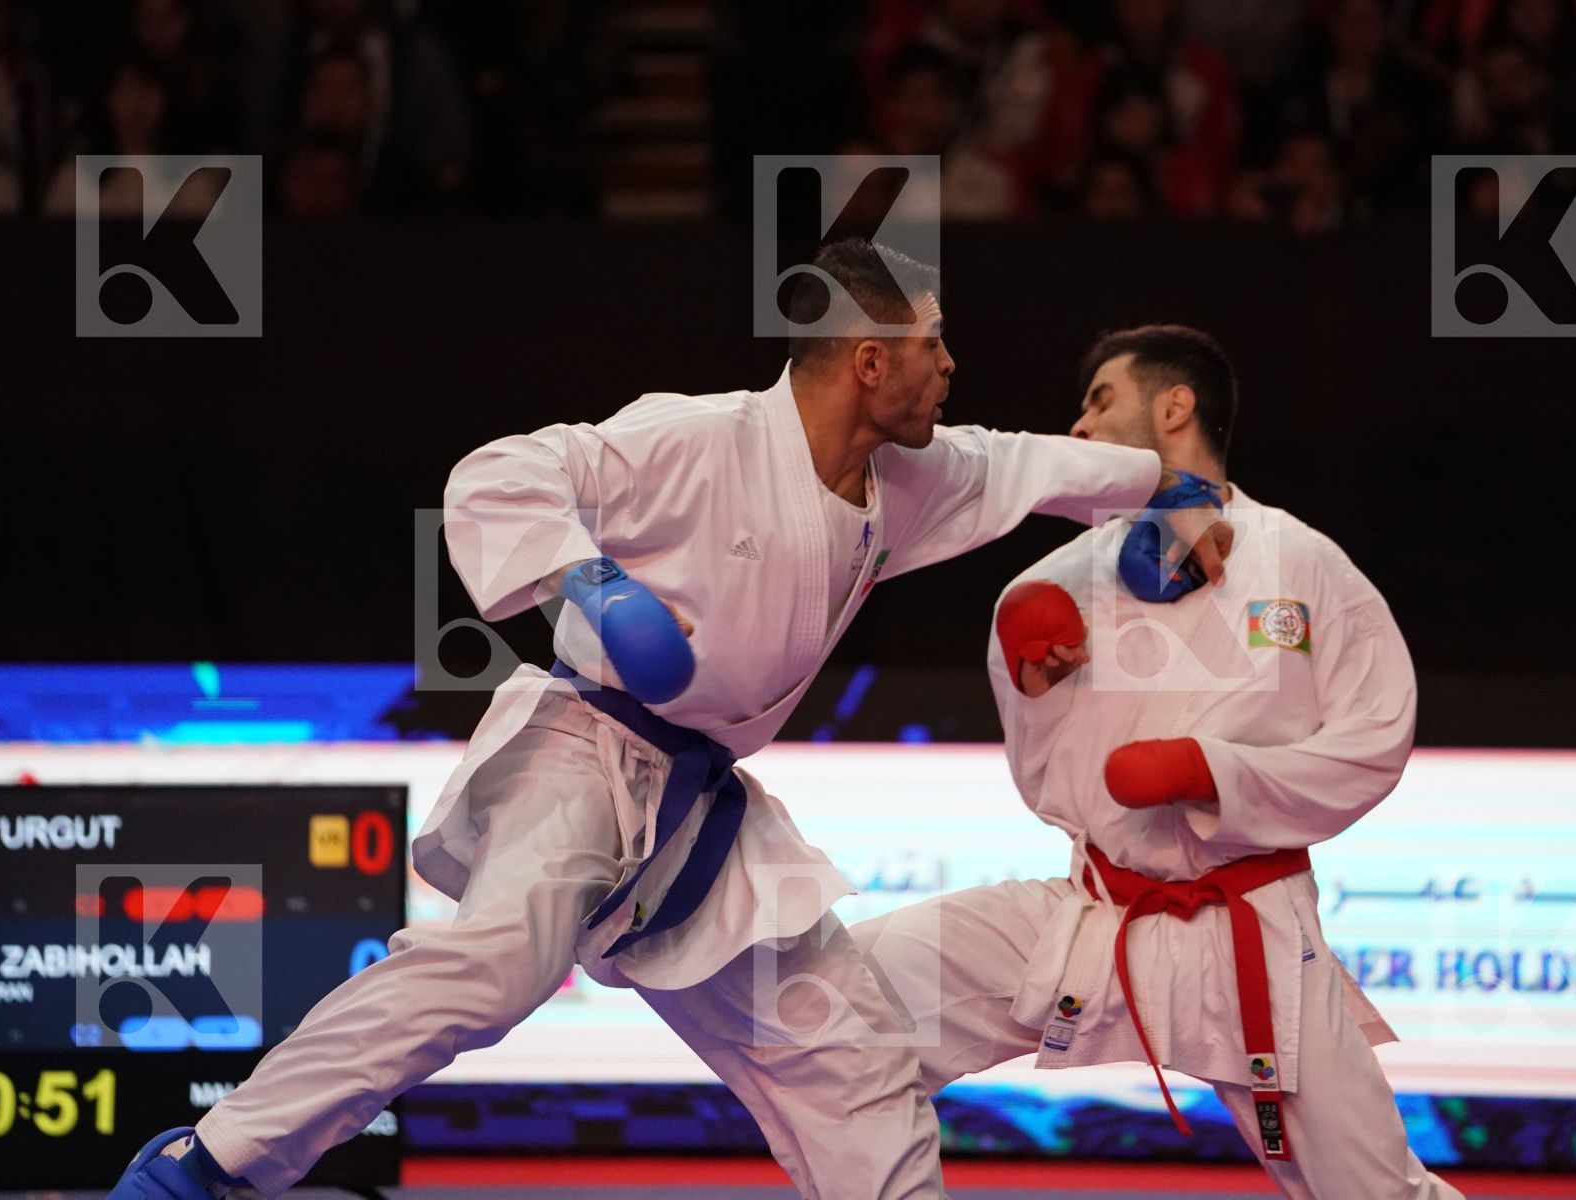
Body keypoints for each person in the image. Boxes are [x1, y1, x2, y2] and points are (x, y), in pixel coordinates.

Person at [105, 243, 1227, 1200]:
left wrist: (1166, 485)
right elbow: (502, 473)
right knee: (500, 964)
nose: (950, 366)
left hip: (700, 818)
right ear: (869, 359)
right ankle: (208, 1162)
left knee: (850, 1057)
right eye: (933, 344)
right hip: (584, 750)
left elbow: (1031, 464)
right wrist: (591, 585)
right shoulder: (700, 439)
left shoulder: (914, 477)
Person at [851, 324, 1464, 1199]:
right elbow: (1044, 780)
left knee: (1374, 1190)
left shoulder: (1300, 560)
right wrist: (1035, 682)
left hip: (1250, 926)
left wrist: (1216, 774)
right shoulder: (1068, 575)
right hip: (1097, 913)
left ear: (1175, 404)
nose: (1080, 427)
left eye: (1102, 399)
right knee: (851, 1006)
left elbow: (1375, 740)